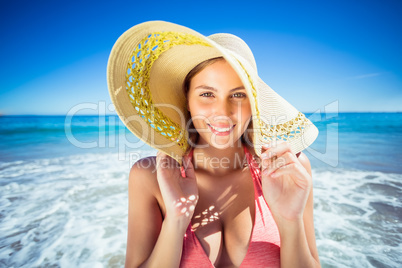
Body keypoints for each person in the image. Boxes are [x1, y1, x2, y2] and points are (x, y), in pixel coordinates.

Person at [107, 21, 320, 268]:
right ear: (186, 99)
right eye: (207, 94)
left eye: (238, 95)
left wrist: (289, 222)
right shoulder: (149, 176)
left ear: (254, 103)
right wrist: (176, 221)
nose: (223, 112)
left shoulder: (288, 171)